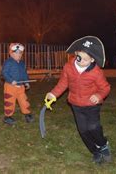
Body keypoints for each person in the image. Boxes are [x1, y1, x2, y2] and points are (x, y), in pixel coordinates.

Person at [45, 36, 111, 164]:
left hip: (92, 105)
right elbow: (63, 83)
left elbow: (105, 88)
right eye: (79, 58)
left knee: (93, 127)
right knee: (83, 130)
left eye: (86, 60)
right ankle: (95, 151)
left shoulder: (96, 72)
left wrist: (98, 96)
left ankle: (103, 144)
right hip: (76, 104)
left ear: (92, 59)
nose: (81, 62)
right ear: (76, 54)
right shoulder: (68, 67)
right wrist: (54, 94)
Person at [1, 43, 33, 125]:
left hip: (21, 87)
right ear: (11, 53)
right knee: (10, 101)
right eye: (16, 53)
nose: (18, 54)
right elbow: (4, 73)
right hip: (10, 86)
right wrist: (11, 80)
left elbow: (24, 73)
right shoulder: (8, 62)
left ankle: (27, 114)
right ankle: (7, 117)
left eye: (20, 53)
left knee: (23, 100)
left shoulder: (22, 63)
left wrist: (26, 82)